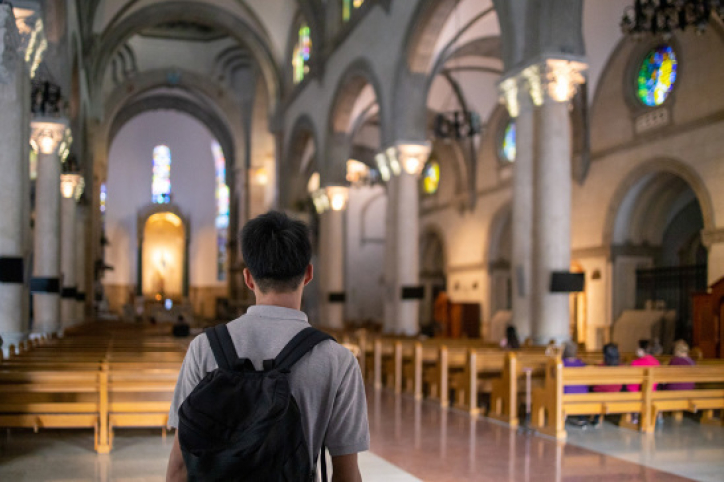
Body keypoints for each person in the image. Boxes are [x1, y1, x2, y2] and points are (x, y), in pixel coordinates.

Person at [166, 211, 368, 482]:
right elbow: (346, 474)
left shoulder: (204, 348)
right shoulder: (338, 360)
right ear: (308, 273)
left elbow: (179, 466)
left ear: (248, 278)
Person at [591, 343, 623, 427]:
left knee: (592, 390)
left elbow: (594, 383)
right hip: (617, 392)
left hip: (600, 394)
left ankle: (597, 416)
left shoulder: (600, 367)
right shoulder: (622, 367)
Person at [562, 341, 588, 427]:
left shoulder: (562, 363)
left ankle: (562, 416)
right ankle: (581, 417)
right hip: (582, 393)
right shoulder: (581, 363)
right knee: (579, 388)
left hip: (566, 392)